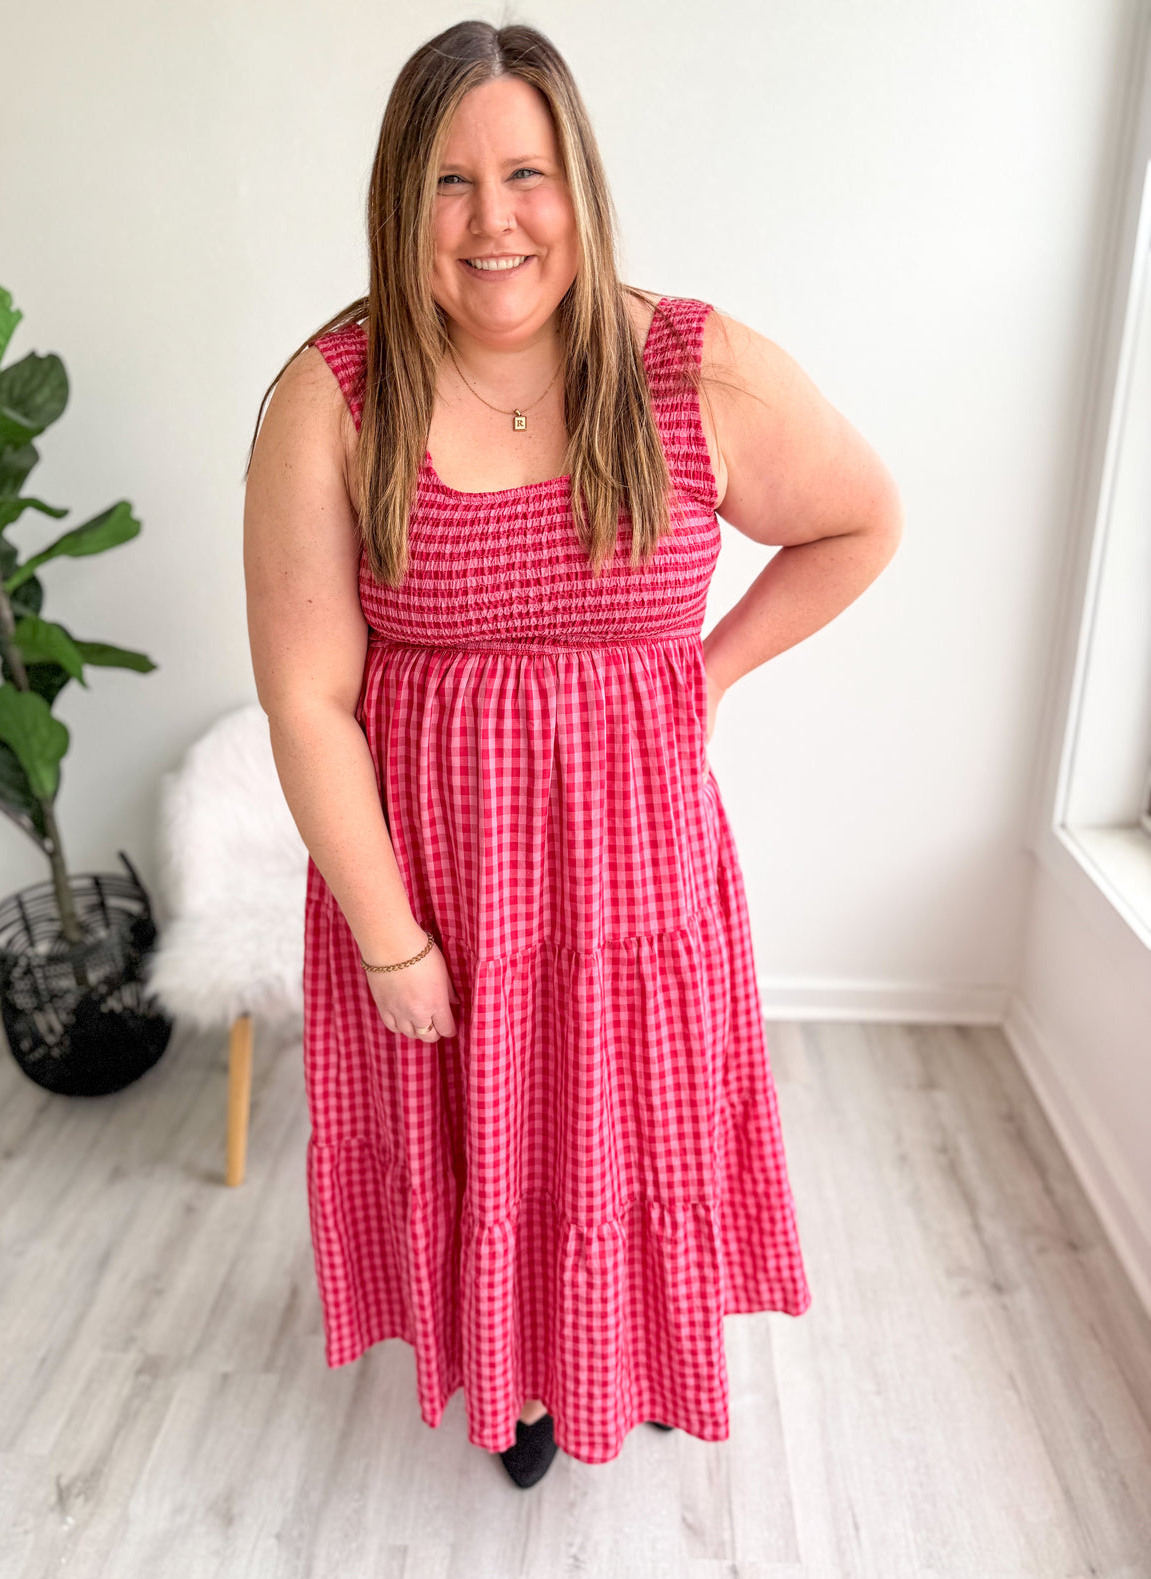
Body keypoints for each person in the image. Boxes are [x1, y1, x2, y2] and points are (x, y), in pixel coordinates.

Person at [242, 20, 903, 1491]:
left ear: (578, 184)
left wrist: (703, 679)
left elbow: (862, 518)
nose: (493, 221)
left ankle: (627, 1355)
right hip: (444, 894)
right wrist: (389, 936)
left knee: (637, 1145)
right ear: (399, 200)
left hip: (635, 891)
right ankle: (523, 1390)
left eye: (525, 173)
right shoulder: (335, 397)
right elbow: (303, 701)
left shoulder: (690, 366)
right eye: (450, 182)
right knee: (487, 1152)